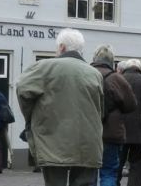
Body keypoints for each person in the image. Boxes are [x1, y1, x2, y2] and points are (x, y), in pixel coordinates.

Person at [17, 28, 105, 186]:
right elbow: (100, 110)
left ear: (62, 47)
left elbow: (23, 91)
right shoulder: (94, 73)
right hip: (88, 143)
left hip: (52, 139)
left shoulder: (43, 68)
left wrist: (32, 117)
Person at [93, 45, 136, 186]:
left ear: (94, 59)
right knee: (109, 172)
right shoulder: (116, 79)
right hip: (111, 133)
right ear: (112, 62)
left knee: (88, 173)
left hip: (88, 132)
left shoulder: (86, 74)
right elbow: (131, 105)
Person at [118, 59, 141, 186]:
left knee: (116, 165)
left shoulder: (118, 79)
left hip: (119, 130)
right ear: (140, 69)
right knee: (137, 167)